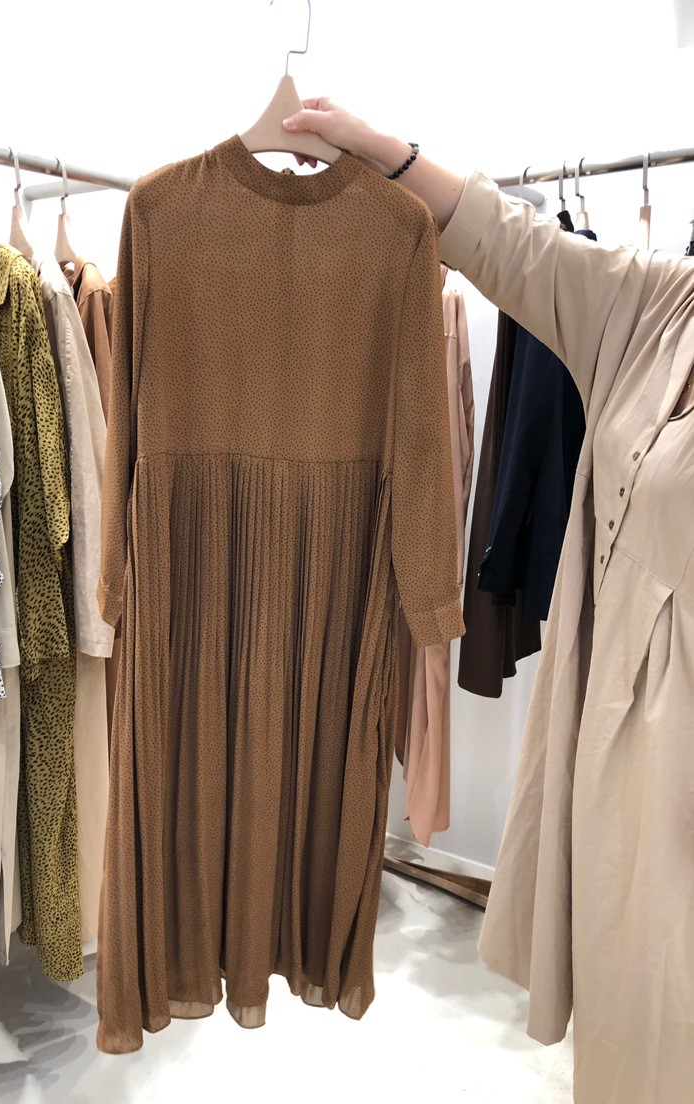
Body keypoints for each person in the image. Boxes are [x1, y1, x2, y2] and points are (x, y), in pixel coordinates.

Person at [281, 100, 694, 1104]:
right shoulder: (663, 309)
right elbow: (513, 247)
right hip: (618, 763)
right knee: (633, 1028)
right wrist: (376, 150)